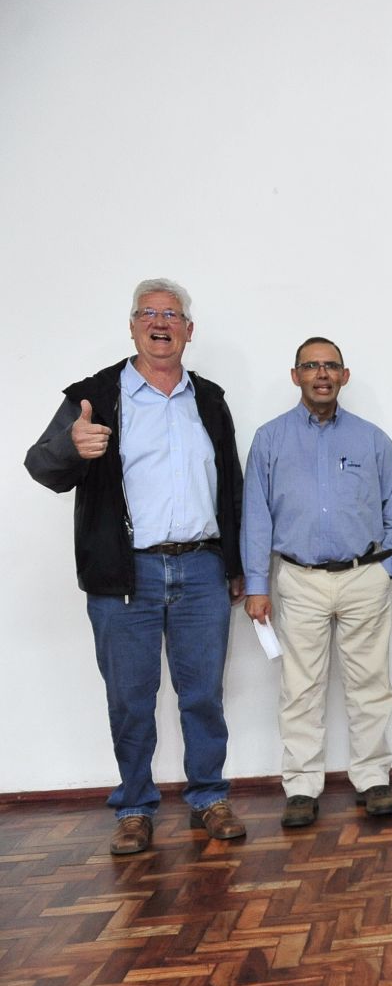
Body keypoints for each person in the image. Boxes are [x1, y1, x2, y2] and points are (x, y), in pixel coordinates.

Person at [24, 278, 246, 855]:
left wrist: (236, 563)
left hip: (201, 569)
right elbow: (41, 466)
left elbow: (231, 485)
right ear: (132, 327)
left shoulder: (210, 399)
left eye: (171, 315)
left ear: (189, 331)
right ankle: (134, 807)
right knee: (130, 700)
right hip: (126, 576)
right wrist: (72, 445)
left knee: (203, 695)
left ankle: (209, 797)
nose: (160, 322)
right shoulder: (94, 397)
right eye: (148, 313)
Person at [241, 337, 392, 828]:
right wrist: (257, 585)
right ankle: (301, 786)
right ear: (295, 375)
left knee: (371, 684)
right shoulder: (269, 440)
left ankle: (372, 778)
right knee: (300, 688)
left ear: (344, 375)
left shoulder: (372, 440)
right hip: (300, 579)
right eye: (311, 366)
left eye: (331, 366)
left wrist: (385, 570)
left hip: (363, 578)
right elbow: (256, 517)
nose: (322, 374)